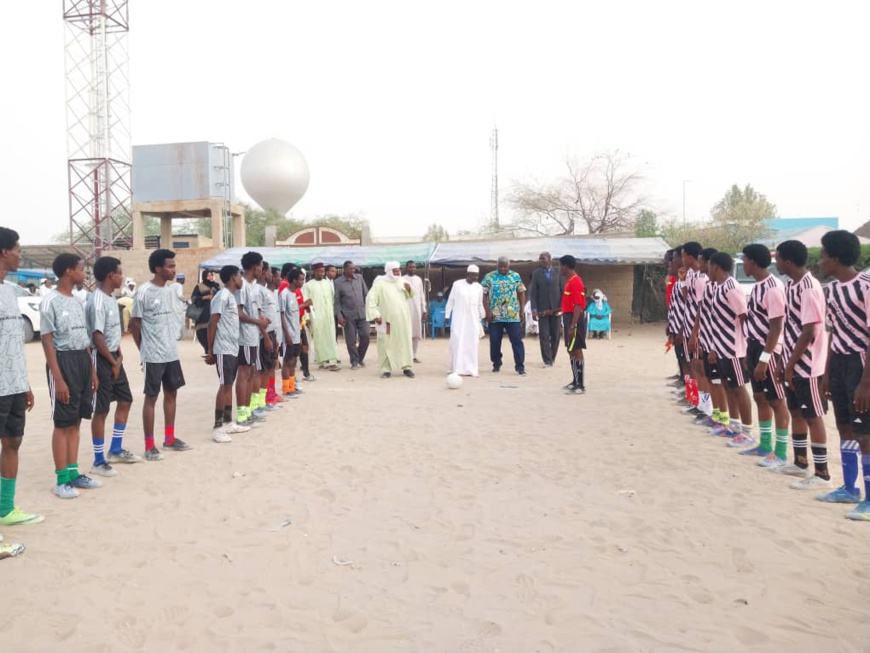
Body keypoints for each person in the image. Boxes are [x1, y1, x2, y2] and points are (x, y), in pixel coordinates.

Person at [817, 231, 870, 518]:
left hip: (862, 366)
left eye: (823, 255)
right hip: (838, 363)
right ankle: (850, 488)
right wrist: (827, 372)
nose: (821, 261)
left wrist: (866, 383)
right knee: (845, 425)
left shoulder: (866, 287)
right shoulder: (832, 290)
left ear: (835, 258)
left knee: (866, 433)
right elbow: (833, 331)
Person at [41, 253, 101, 498]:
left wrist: (93, 371)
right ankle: (61, 479)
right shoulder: (50, 301)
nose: (84, 273)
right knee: (62, 422)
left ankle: (74, 473)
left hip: (82, 362)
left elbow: (85, 340)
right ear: (68, 271)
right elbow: (47, 340)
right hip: (63, 362)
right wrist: (58, 377)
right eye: (80, 269)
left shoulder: (78, 301)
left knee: (76, 419)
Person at [773, 240, 830, 490]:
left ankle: (822, 473)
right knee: (796, 411)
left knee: (813, 416)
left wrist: (790, 364)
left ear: (787, 262)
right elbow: (791, 326)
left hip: (808, 365)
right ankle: (800, 462)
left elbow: (809, 331)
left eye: (778, 259)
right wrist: (783, 361)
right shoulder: (790, 285)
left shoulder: (809, 287)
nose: (775, 263)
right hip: (791, 361)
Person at [0, 227, 42, 551]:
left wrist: (24, 383)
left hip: (13, 384)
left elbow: (12, 343)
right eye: (17, 249)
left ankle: (6, 509)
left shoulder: (10, 292)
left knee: (13, 441)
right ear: (3, 252)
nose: (19, 254)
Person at [130, 249, 192, 461]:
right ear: (158, 268)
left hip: (171, 352)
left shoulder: (171, 290)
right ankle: (149, 445)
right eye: (170, 266)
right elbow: (134, 325)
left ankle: (170, 437)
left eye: (174, 266)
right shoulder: (144, 292)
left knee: (172, 393)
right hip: (153, 355)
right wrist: (144, 351)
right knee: (151, 397)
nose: (173, 270)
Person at [86, 256, 140, 479]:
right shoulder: (97, 300)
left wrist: (118, 357)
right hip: (102, 359)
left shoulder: (110, 298)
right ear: (111, 275)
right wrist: (111, 361)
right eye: (119, 272)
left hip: (113, 357)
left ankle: (115, 449)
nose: (122, 276)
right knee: (101, 409)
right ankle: (98, 461)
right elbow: (96, 336)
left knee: (125, 399)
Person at [741, 244, 791, 467]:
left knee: (776, 401)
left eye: (744, 260)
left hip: (768, 350)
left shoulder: (773, 288)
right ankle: (765, 445)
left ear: (752, 261)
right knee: (760, 397)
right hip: (753, 346)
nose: (743, 264)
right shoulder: (758, 286)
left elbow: (777, 326)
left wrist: (765, 358)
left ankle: (780, 453)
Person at [706, 252, 755, 445]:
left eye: (709, 266)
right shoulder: (719, 287)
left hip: (735, 348)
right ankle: (733, 425)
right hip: (721, 347)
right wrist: (713, 347)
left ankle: (748, 431)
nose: (707, 271)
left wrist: (747, 349)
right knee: (728, 386)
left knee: (738, 388)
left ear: (716, 266)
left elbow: (744, 317)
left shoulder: (732, 287)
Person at [205, 265, 252, 442]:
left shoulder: (231, 297)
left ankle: (227, 422)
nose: (242, 279)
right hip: (223, 349)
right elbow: (213, 323)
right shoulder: (222, 296)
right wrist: (210, 350)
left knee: (228, 385)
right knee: (224, 386)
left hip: (232, 347)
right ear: (233, 277)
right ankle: (217, 427)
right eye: (240, 276)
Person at [235, 252, 270, 426]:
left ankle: (248, 411)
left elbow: (254, 311)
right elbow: (239, 312)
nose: (262, 269)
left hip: (253, 336)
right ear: (254, 266)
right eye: (261, 266)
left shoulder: (251, 286)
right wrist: (258, 321)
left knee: (251, 373)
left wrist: (262, 321)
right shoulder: (242, 286)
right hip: (244, 337)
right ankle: (242, 415)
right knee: (244, 373)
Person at [366, 261, 415, 378]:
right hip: (386, 321)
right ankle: (385, 369)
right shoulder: (380, 283)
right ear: (388, 271)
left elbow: (410, 295)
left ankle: (407, 367)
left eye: (398, 270)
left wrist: (409, 289)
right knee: (385, 343)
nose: (398, 272)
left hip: (402, 320)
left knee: (404, 342)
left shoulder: (402, 281)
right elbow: (370, 299)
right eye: (395, 270)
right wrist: (375, 315)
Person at [482, 257, 527, 375]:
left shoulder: (515, 276)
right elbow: (483, 295)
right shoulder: (489, 277)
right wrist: (487, 311)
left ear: (508, 266)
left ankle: (520, 366)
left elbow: (521, 292)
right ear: (497, 266)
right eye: (500, 266)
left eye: (505, 266)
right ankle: (496, 363)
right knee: (495, 341)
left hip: (512, 315)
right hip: (495, 315)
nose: (503, 268)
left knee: (517, 340)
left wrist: (522, 310)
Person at [445, 265, 486, 377]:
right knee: (457, 341)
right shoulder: (457, 284)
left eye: (477, 275)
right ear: (468, 274)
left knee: (472, 343)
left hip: (473, 320)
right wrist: (447, 315)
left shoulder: (479, 287)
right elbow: (451, 301)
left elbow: (479, 304)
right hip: (459, 319)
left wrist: (483, 315)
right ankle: (456, 368)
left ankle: (471, 369)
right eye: (474, 275)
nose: (476, 277)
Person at [528, 251, 564, 366]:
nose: (541, 260)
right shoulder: (536, 273)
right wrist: (534, 310)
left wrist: (563, 306)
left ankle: (552, 357)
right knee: (544, 336)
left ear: (549, 259)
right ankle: (547, 360)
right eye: (540, 259)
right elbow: (533, 293)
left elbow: (563, 290)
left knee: (555, 335)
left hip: (557, 309)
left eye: (543, 258)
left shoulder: (558, 272)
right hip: (542, 310)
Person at [303, 262, 340, 370]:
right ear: (314, 272)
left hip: (328, 315)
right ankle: (322, 361)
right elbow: (306, 302)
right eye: (319, 271)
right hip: (316, 316)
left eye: (323, 271)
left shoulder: (328, 283)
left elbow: (332, 299)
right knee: (319, 338)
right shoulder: (308, 285)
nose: (321, 273)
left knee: (331, 337)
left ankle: (332, 360)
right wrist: (307, 318)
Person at [558, 255, 587, 393]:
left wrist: (573, 325)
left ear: (566, 266)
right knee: (570, 349)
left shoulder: (576, 282)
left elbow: (578, 306)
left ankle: (580, 385)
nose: (560, 269)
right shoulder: (568, 281)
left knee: (577, 350)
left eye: (561, 266)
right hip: (568, 317)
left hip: (574, 319)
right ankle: (575, 380)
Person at [334, 260, 370, 369]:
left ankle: (359, 358)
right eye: (350, 268)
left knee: (366, 337)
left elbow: (366, 294)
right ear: (344, 269)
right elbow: (336, 301)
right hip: (348, 316)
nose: (353, 270)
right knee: (351, 340)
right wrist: (339, 316)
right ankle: (354, 361)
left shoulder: (359, 278)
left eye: (354, 268)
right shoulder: (338, 282)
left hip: (362, 314)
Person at [280, 268, 308, 397]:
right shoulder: (284, 294)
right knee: (287, 361)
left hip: (296, 333)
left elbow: (294, 313)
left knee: (293, 361)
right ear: (294, 280)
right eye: (301, 279)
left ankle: (291, 386)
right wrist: (286, 334)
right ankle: (286, 389)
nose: (303, 282)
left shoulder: (294, 293)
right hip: (289, 335)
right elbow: (281, 315)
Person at [402, 260, 427, 363]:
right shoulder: (401, 279)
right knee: (405, 333)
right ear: (406, 268)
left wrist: (424, 309)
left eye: (414, 267)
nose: (412, 269)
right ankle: (406, 355)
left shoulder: (418, 280)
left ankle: (414, 355)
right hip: (405, 309)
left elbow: (421, 295)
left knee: (416, 333)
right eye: (410, 267)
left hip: (417, 310)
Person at [191, 270, 220, 355]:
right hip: (203, 313)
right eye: (208, 276)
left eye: (211, 275)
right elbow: (193, 298)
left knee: (215, 330)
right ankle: (207, 349)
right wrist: (204, 297)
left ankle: (213, 351)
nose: (210, 277)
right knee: (202, 331)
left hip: (214, 311)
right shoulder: (199, 287)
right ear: (204, 277)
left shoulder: (216, 286)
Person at [171, 273, 187, 340]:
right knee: (178, 321)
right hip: (177, 307)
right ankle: (177, 336)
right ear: (181, 279)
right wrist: (185, 300)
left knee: (173, 322)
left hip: (171, 306)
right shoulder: (179, 285)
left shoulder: (171, 285)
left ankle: (173, 335)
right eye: (184, 279)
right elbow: (179, 295)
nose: (184, 281)